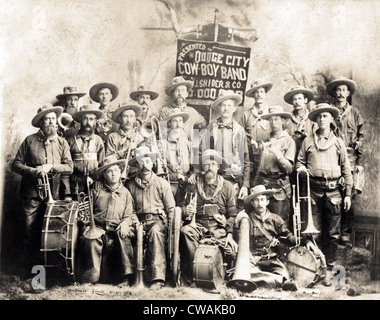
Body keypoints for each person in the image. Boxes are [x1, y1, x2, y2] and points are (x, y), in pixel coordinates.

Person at [11, 103, 73, 273]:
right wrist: (33, 171)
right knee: (28, 229)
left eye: (53, 119)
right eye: (47, 119)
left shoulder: (62, 143)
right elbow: (15, 164)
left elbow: (69, 167)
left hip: (54, 193)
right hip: (31, 193)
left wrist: (51, 167)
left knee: (52, 231)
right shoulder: (29, 141)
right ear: (41, 122)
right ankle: (28, 271)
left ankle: (50, 270)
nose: (51, 123)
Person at [296, 103, 353, 267]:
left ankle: (330, 267)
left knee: (333, 234)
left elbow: (346, 169)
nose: (322, 119)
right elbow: (299, 162)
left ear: (331, 119)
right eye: (319, 116)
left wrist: (347, 194)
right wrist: (301, 169)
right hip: (312, 191)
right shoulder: (308, 141)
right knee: (314, 231)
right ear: (315, 120)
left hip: (334, 192)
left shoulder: (338, 142)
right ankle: (316, 267)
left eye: (325, 116)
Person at [178, 149, 238, 286]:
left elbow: (233, 214)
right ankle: (196, 273)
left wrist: (229, 233)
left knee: (232, 251)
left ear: (218, 167)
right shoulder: (193, 185)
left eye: (213, 163)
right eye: (206, 163)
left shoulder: (227, 187)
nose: (210, 166)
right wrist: (186, 211)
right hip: (198, 225)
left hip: (219, 228)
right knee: (186, 231)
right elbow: (181, 206)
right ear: (202, 167)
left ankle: (220, 275)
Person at [234, 185, 311, 290]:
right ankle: (279, 282)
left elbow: (288, 236)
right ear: (252, 203)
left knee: (284, 273)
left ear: (267, 201)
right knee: (248, 274)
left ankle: (270, 280)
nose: (260, 203)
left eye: (262, 200)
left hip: (272, 260)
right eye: (256, 200)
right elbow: (241, 242)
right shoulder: (247, 220)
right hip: (254, 260)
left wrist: (304, 240)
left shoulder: (276, 219)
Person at [77, 155, 138, 286]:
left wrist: (126, 223)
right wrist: (88, 225)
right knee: (91, 239)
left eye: (116, 170)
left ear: (120, 172)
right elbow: (86, 212)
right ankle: (90, 278)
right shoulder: (96, 190)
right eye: (109, 171)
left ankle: (126, 278)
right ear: (104, 175)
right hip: (98, 228)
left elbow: (129, 214)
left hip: (117, 228)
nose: (113, 174)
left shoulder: (126, 193)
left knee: (124, 235)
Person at [125, 146, 176, 289]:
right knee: (124, 235)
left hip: (157, 222)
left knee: (155, 232)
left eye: (148, 161)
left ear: (152, 163)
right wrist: (135, 223)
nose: (145, 165)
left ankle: (157, 278)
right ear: (137, 165)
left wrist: (171, 230)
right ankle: (127, 276)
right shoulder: (130, 185)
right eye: (141, 162)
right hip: (137, 222)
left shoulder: (162, 184)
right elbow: (129, 209)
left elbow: (171, 209)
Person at [326, 76, 364, 245]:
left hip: (350, 159)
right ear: (335, 93)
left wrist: (358, 144)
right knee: (334, 195)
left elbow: (362, 137)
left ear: (348, 93)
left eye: (344, 90)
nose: (341, 93)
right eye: (338, 90)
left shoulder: (355, 114)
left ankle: (346, 232)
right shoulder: (329, 112)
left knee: (350, 195)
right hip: (332, 159)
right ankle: (332, 233)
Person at [198, 90, 251, 204]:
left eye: (229, 105)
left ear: (234, 108)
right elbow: (201, 152)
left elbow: (246, 159)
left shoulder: (240, 131)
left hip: (234, 178)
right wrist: (200, 173)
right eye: (223, 105)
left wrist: (245, 185)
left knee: (232, 211)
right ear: (219, 108)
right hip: (214, 178)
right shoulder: (211, 127)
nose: (226, 108)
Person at [253, 106, 296, 226]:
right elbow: (259, 169)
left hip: (278, 190)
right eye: (271, 119)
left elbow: (289, 169)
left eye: (276, 119)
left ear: (283, 121)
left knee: (279, 224)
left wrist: (278, 154)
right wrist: (254, 188)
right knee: (262, 224)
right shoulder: (266, 141)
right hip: (263, 188)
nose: (273, 122)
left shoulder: (288, 141)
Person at [62, 104, 105, 199]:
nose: (88, 122)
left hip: (94, 185)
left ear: (95, 121)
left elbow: (102, 166)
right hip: (75, 185)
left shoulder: (98, 141)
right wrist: (67, 193)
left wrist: (97, 180)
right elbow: (65, 170)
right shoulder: (70, 141)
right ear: (80, 120)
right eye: (85, 118)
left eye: (91, 119)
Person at [235, 80, 273, 182]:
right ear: (253, 95)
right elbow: (239, 135)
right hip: (250, 158)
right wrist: (249, 141)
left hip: (269, 158)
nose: (259, 95)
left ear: (265, 94)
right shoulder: (246, 115)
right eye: (256, 92)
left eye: (261, 92)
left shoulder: (272, 114)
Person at [158, 76, 207, 140]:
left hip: (188, 147)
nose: (180, 93)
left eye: (183, 90)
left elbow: (204, 125)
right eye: (177, 91)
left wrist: (196, 142)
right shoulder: (165, 110)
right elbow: (162, 135)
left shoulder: (192, 111)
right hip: (170, 147)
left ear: (186, 94)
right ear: (173, 94)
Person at [161, 108, 192, 201]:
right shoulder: (163, 144)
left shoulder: (188, 144)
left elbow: (194, 168)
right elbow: (160, 171)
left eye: (180, 121)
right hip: (170, 183)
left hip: (186, 183)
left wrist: (190, 177)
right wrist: (175, 176)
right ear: (169, 123)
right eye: (174, 121)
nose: (178, 124)